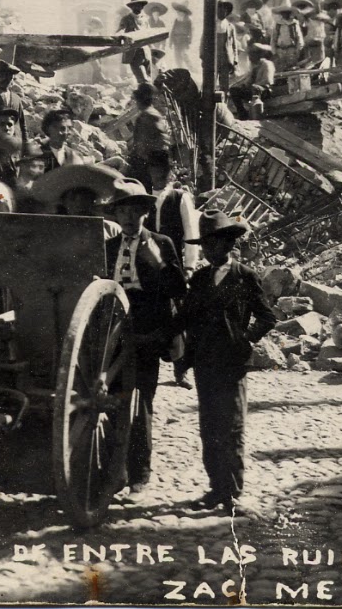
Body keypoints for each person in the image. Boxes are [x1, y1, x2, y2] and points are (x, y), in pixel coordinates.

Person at [174, 211, 276, 511]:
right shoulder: (201, 278)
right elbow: (187, 318)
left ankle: (232, 493)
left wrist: (246, 339)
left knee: (231, 427)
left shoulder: (245, 276)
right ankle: (215, 489)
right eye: (204, 245)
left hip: (232, 364)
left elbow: (268, 317)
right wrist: (181, 357)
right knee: (209, 427)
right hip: (205, 362)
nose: (208, 250)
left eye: (214, 244)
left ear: (229, 244)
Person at [103, 179, 187, 495]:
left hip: (147, 329)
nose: (127, 218)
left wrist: (159, 264)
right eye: (122, 211)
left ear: (144, 213)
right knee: (110, 399)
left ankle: (140, 473)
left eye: (134, 211)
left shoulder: (161, 243)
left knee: (141, 402)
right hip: (112, 331)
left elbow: (178, 289)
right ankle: (115, 471)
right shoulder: (109, 247)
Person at [147, 157, 200, 389]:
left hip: (172, 264)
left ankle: (181, 370)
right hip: (146, 264)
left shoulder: (181, 197)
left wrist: (189, 266)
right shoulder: (143, 195)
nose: (158, 174)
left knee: (175, 315)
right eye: (154, 168)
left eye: (163, 170)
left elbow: (191, 234)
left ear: (171, 172)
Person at [126, 83, 172, 193]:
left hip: (149, 162)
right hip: (157, 160)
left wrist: (135, 159)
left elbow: (141, 145)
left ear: (139, 100)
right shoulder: (154, 114)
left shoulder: (145, 117)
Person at [118, 0, 153, 84]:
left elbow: (149, 34)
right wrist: (125, 37)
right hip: (134, 53)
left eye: (140, 5)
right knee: (141, 79)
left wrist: (151, 48)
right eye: (135, 5)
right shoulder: (126, 19)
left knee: (149, 78)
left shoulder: (144, 20)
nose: (138, 7)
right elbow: (119, 33)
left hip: (146, 53)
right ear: (131, 7)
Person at [15, 141, 49, 213]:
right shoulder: (11, 185)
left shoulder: (41, 189)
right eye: (34, 165)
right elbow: (1, 197)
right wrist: (0, 198)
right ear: (22, 165)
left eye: (42, 166)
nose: (40, 170)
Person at [215, 0, 241, 93]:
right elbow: (204, 42)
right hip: (213, 58)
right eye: (220, 10)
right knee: (211, 81)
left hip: (225, 58)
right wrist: (203, 56)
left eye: (225, 11)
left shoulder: (230, 26)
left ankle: (224, 102)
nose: (222, 12)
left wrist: (235, 60)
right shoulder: (211, 25)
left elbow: (234, 45)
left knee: (224, 84)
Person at [271, 5, 303, 72]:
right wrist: (274, 52)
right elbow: (273, 38)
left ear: (290, 13)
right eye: (283, 13)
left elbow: (299, 37)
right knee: (280, 68)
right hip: (280, 50)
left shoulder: (294, 24)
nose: (285, 14)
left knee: (291, 68)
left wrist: (298, 49)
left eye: (287, 13)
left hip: (291, 49)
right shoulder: (278, 24)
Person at [297, 0, 327, 69]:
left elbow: (322, 35)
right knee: (308, 63)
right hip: (309, 44)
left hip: (318, 44)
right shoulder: (308, 21)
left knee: (319, 63)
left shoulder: (321, 22)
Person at [169, 2, 194, 70]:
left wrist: (189, 41)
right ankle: (180, 70)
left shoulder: (188, 20)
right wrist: (170, 42)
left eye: (180, 11)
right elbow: (173, 31)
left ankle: (192, 69)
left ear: (184, 12)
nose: (179, 13)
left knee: (184, 55)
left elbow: (191, 31)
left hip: (184, 41)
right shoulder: (176, 20)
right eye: (178, 11)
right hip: (176, 41)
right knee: (177, 57)